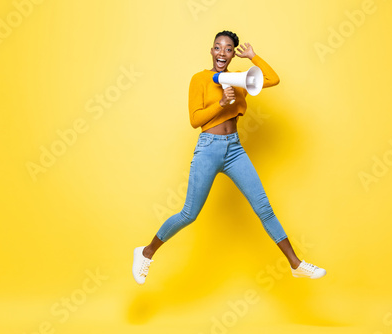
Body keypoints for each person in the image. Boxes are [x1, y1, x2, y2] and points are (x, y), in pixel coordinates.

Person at [132, 30, 326, 284]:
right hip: (208, 148)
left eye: (228, 49)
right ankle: (146, 253)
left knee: (264, 208)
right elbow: (195, 120)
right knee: (189, 214)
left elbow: (273, 79)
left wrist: (254, 57)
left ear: (233, 54)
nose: (222, 52)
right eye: (217, 47)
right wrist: (221, 104)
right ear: (211, 51)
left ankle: (295, 264)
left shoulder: (238, 79)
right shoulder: (199, 79)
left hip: (234, 149)